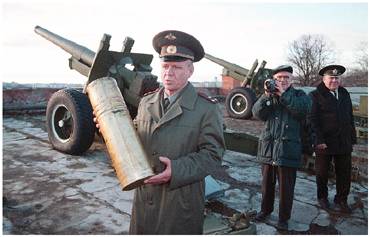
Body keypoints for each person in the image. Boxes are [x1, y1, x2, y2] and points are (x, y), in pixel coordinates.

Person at [94, 30, 225, 234]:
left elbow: (213, 156)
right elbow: (135, 141)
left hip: (180, 204)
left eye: (176, 67)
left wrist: (177, 170)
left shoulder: (206, 109)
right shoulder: (146, 103)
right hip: (145, 202)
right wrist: (109, 130)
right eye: (165, 66)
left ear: (190, 70)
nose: (168, 73)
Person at [252, 65, 311, 230]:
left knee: (286, 189)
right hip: (269, 148)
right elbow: (257, 113)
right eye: (279, 78)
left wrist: (283, 95)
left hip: (288, 149)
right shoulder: (269, 96)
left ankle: (284, 218)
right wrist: (265, 96)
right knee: (266, 185)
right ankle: (265, 211)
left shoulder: (299, 95)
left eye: (286, 77)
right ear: (274, 80)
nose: (283, 80)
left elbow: (302, 111)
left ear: (292, 80)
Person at [308, 65, 356, 214]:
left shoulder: (344, 93)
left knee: (344, 172)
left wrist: (352, 137)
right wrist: (318, 140)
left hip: (343, 141)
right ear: (324, 79)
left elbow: (349, 116)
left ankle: (341, 199)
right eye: (331, 78)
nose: (334, 80)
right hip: (325, 142)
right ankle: (322, 198)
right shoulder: (315, 95)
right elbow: (311, 120)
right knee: (322, 173)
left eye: (337, 78)